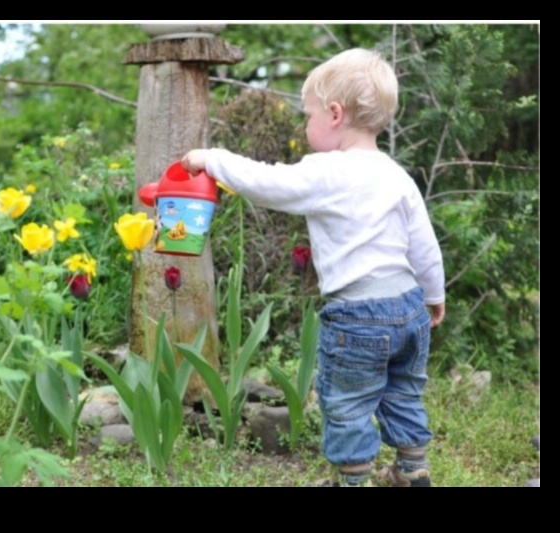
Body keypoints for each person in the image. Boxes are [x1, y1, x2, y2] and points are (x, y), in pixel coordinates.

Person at [181, 48, 445, 487]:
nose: (306, 126)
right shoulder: (396, 175)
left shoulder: (327, 171)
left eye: (309, 115)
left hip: (358, 316)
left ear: (335, 115)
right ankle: (412, 467)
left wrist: (211, 159)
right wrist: (434, 296)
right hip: (408, 307)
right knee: (403, 392)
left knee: (348, 403)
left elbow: (267, 184)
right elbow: (425, 246)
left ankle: (352, 480)